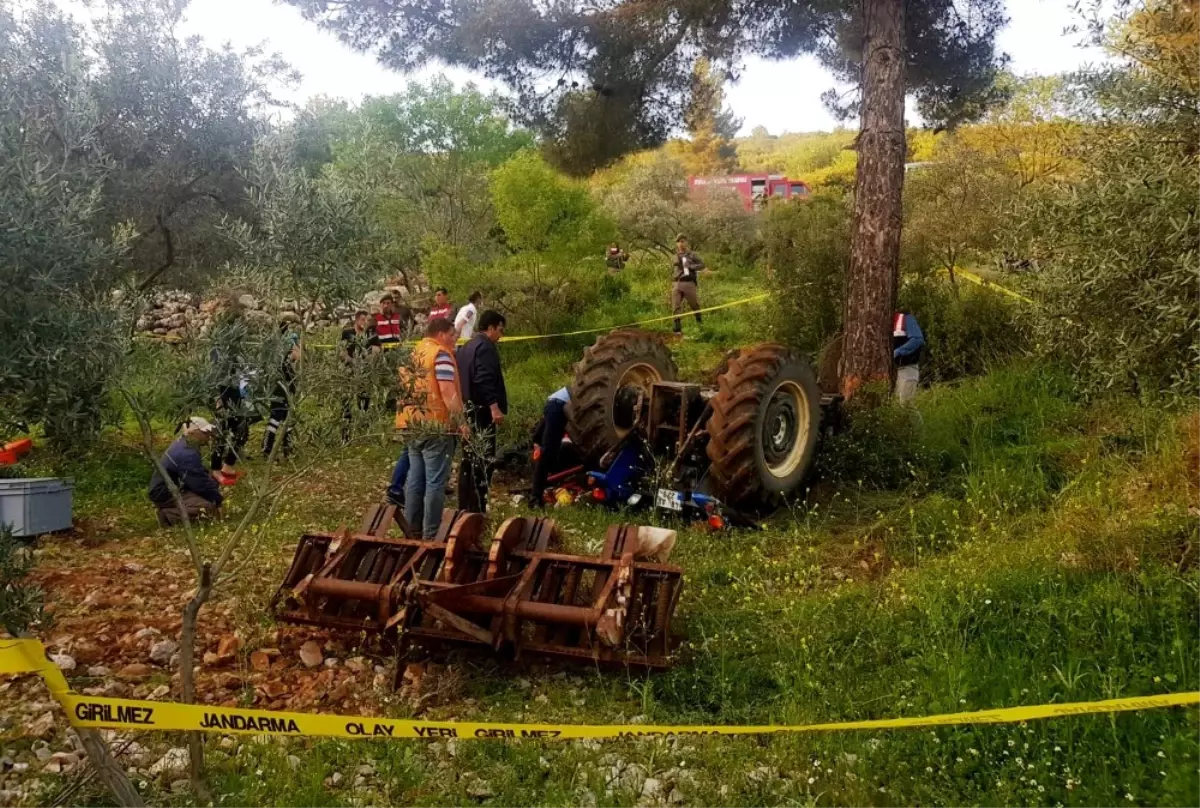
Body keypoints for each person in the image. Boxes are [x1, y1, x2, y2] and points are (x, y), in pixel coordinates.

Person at [397, 317, 463, 538]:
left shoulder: (414, 352)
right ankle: (431, 534)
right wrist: (462, 423)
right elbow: (447, 392)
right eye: (453, 335)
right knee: (435, 482)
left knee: (416, 478)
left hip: (412, 425)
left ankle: (411, 529)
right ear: (442, 334)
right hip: (436, 427)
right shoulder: (440, 355)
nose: (455, 339)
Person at [456, 310, 507, 512]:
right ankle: (479, 507)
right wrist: (494, 407)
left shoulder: (467, 346)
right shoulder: (485, 347)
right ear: (491, 327)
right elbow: (483, 379)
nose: (501, 335)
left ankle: (465, 505)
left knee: (468, 459)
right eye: (500, 330)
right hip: (482, 412)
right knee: (484, 459)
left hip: (467, 409)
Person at [149, 417, 224, 527]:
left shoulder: (184, 444)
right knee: (206, 508)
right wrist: (217, 500)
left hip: (171, 487)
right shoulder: (187, 454)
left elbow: (197, 474)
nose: (209, 436)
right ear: (193, 432)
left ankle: (177, 507)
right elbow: (199, 483)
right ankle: (168, 515)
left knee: (209, 483)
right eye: (205, 433)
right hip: (164, 493)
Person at [340, 310, 381, 442]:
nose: (365, 323)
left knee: (364, 401)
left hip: (365, 372)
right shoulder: (347, 334)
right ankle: (345, 433)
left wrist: (367, 361)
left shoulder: (372, 335)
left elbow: (376, 351)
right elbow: (342, 352)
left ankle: (363, 432)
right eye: (363, 320)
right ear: (357, 320)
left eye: (367, 320)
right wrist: (352, 361)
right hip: (349, 371)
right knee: (346, 401)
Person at [262, 325, 301, 457]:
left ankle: (276, 447)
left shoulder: (275, 349)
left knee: (282, 418)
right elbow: (297, 356)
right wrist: (297, 345)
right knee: (280, 418)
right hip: (282, 388)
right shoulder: (285, 347)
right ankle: (275, 447)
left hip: (280, 387)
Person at [530, 386, 570, 508]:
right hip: (559, 406)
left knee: (544, 448)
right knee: (547, 453)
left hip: (554, 402)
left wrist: (536, 439)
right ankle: (535, 499)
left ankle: (538, 494)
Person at [670, 234, 705, 335]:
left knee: (695, 305)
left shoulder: (692, 254)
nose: (681, 243)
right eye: (679, 242)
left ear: (686, 242)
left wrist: (691, 266)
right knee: (675, 305)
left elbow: (702, 265)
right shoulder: (675, 256)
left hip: (689, 282)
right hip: (677, 282)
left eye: (683, 241)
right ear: (676, 244)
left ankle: (700, 325)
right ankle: (677, 329)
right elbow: (675, 265)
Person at [893, 311, 926, 403]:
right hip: (891, 372)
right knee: (893, 408)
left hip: (906, 369)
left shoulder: (905, 317)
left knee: (905, 405)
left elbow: (917, 340)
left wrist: (897, 352)